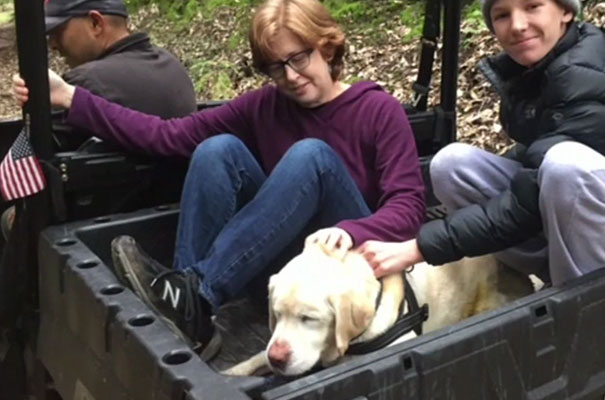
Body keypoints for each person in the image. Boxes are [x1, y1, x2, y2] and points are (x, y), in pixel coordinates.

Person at [14, 0, 426, 361]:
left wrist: (351, 231)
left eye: (299, 58)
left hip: (347, 265)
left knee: (311, 155)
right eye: (274, 68)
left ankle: (196, 294)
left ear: (327, 47)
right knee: (217, 149)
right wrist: (71, 98)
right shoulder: (266, 105)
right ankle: (190, 310)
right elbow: (167, 135)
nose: (290, 76)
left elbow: (408, 209)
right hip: (288, 265)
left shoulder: (378, 110)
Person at [359, 0, 605, 288]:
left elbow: (529, 198)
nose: (517, 25)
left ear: (566, 11)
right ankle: (556, 277)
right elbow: (535, 156)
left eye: (533, 6)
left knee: (566, 168)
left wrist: (419, 248)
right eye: (502, 15)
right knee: (452, 165)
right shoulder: (534, 69)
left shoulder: (580, 71)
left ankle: (584, 309)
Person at [1, 0, 198, 240]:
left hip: (99, 224)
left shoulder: (85, 82)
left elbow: (33, 150)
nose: (52, 44)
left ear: (95, 23)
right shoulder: (172, 67)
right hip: (170, 214)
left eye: (58, 32)